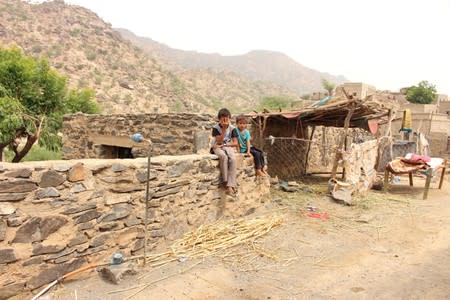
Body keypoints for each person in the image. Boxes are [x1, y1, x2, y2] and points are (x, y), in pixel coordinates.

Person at [211, 108, 238, 194]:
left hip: (227, 146)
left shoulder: (233, 128)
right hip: (217, 146)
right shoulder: (215, 128)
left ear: (229, 118)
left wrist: (226, 145)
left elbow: (235, 143)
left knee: (233, 159)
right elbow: (219, 141)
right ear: (219, 119)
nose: (225, 120)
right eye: (223, 118)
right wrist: (223, 129)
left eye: (227, 118)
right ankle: (226, 182)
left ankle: (230, 185)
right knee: (223, 156)